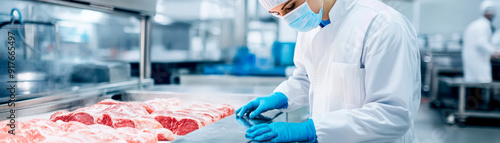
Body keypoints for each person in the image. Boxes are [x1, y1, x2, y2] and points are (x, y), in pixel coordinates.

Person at [235, 0, 421, 142]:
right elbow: (307, 77)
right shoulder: (309, 28)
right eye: (278, 13)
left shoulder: (382, 25)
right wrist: (281, 97)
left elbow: (393, 114)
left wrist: (310, 130)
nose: (288, 18)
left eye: (291, 6)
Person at [463, 0, 498, 83]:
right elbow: (482, 43)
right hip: (478, 60)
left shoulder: (477, 24)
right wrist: (495, 51)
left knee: (474, 84)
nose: (491, 13)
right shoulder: (483, 25)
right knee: (482, 83)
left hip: (474, 60)